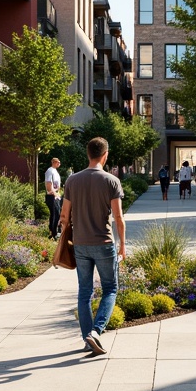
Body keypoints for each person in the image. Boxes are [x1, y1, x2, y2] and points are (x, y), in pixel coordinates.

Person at [60, 136, 126, 356]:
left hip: (80, 244)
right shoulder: (111, 180)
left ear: (87, 154)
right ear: (104, 155)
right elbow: (118, 216)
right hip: (104, 243)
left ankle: (88, 339)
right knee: (110, 289)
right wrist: (123, 245)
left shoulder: (72, 181)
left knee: (84, 292)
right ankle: (96, 332)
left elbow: (64, 215)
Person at [44, 157, 62, 239]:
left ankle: (52, 232)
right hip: (51, 196)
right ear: (54, 162)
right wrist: (54, 194)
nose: (59, 164)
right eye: (58, 162)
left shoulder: (55, 171)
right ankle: (54, 233)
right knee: (56, 214)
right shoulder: (50, 171)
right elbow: (48, 185)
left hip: (56, 195)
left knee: (55, 214)